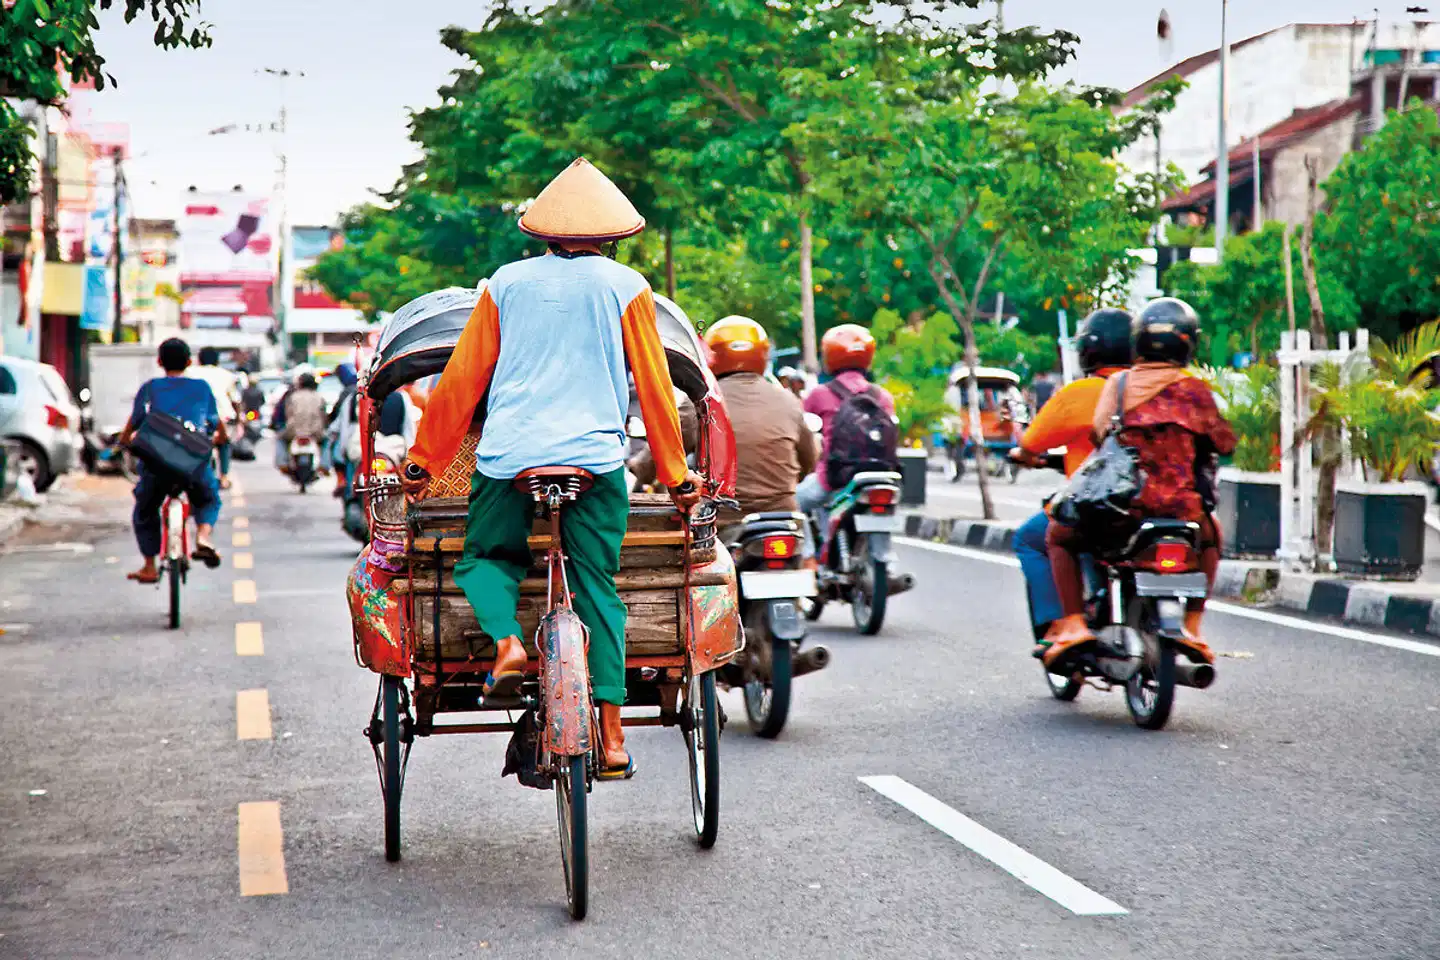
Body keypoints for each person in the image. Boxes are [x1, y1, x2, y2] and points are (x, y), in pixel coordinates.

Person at [399, 157, 701, 781]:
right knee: (598, 589)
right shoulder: (628, 288)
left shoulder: (503, 284)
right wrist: (676, 476)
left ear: (542, 235)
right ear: (613, 237)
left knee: (485, 557)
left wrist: (424, 463)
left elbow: (462, 381)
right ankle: (613, 738)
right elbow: (654, 384)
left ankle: (509, 645)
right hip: (594, 460)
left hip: (509, 455)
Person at [1044, 298, 1236, 668]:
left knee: (1058, 535)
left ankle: (1073, 625)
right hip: (1183, 512)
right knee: (1214, 538)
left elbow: (1101, 433)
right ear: (1189, 343)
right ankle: (1194, 624)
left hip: (1123, 511)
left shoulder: (1118, 384)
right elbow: (1224, 442)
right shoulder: (1195, 391)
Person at [1008, 308, 1133, 649]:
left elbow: (1029, 443)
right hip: (1156, 503)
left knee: (1032, 538)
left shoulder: (1080, 393)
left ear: (1088, 351)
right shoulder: (1158, 390)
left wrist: (1026, 456)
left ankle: (1061, 625)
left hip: (1098, 506)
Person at [119, 338, 224, 583]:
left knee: (145, 508)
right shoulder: (202, 387)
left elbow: (135, 421)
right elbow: (213, 422)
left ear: (159, 361)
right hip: (193, 464)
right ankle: (203, 537)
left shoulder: (151, 387)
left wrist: (123, 441)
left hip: (157, 465)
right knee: (208, 498)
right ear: (189, 362)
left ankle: (149, 565)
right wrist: (220, 438)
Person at [702, 316, 817, 533]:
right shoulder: (788, 400)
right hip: (782, 515)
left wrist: (637, 470)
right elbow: (809, 459)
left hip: (723, 518)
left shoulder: (703, 398)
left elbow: (666, 449)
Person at [797, 324, 896, 530]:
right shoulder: (883, 396)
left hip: (833, 477)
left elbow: (802, 435)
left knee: (791, 507)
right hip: (880, 476)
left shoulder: (819, 394)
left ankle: (807, 558)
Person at [189, 346, 240, 489]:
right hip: (223, 416)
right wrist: (239, 419)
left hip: (197, 417)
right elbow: (235, 399)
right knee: (224, 444)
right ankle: (224, 476)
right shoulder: (226, 375)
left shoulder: (190, 373)